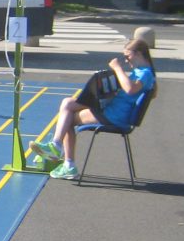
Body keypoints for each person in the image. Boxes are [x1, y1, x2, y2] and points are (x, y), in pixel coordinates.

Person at [31, 38, 156, 180]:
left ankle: (66, 162)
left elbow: (130, 89)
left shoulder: (145, 73)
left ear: (138, 53)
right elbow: (140, 92)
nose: (126, 61)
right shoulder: (144, 72)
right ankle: (57, 147)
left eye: (128, 56)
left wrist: (117, 69)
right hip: (113, 110)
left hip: (114, 115)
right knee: (67, 103)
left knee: (68, 119)